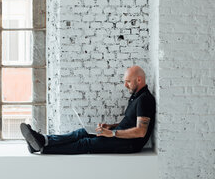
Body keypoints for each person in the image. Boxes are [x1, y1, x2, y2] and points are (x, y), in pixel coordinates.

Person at [20, 65, 156, 154]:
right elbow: (130, 122)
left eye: (128, 81)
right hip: (119, 136)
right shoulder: (136, 97)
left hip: (129, 144)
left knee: (85, 143)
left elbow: (140, 131)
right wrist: (111, 127)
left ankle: (43, 149)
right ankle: (42, 140)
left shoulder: (144, 99)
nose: (125, 85)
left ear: (139, 79)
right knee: (82, 132)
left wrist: (112, 134)